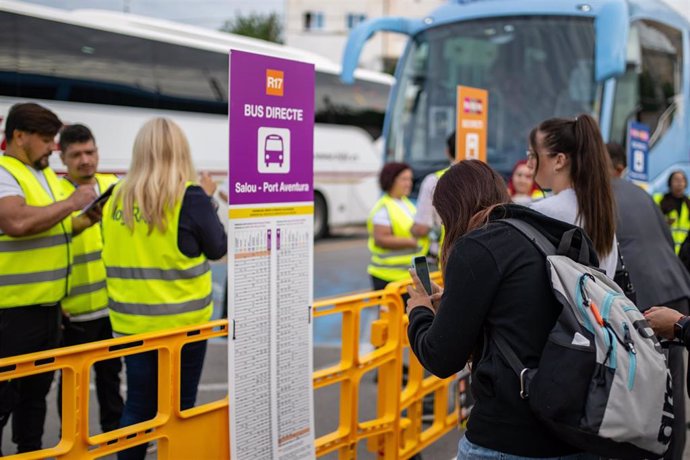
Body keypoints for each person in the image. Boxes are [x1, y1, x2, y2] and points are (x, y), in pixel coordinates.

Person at [406, 159, 595, 459]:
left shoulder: (477, 246)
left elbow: (440, 358)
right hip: (573, 428)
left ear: (453, 209)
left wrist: (419, 311)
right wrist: (453, 306)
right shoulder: (539, 234)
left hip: (508, 436)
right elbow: (519, 315)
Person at [101, 118, 226, 460]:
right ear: (181, 151)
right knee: (180, 412)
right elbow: (217, 248)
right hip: (182, 328)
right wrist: (211, 200)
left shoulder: (115, 197)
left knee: (138, 408)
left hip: (131, 326)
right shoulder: (191, 197)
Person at [0, 103, 98, 455]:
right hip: (12, 315)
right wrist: (72, 203)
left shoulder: (41, 174)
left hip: (48, 310)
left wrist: (85, 219)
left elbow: (51, 226)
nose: (52, 148)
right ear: (19, 136)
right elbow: (17, 223)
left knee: (35, 398)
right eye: (45, 140)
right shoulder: (4, 171)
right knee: (3, 401)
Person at [607, 142, 690, 460]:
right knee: (673, 384)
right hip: (675, 288)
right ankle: (673, 452)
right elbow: (667, 240)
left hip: (644, 296)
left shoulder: (600, 193)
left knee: (643, 387)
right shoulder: (640, 193)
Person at [57, 124, 124, 433]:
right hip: (74, 311)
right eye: (76, 155)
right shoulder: (56, 195)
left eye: (90, 152)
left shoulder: (116, 186)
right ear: (63, 158)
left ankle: (114, 434)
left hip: (113, 309)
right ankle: (70, 440)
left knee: (112, 377)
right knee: (73, 383)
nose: (85, 160)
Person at [528, 114, 618, 278]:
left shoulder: (543, 212)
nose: (529, 163)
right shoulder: (599, 210)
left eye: (533, 155)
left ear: (559, 160)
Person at [367, 162, 429, 290]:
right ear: (391, 180)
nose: (409, 183)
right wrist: (412, 242)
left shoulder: (407, 203)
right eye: (404, 179)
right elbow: (381, 239)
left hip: (405, 276)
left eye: (410, 179)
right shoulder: (384, 208)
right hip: (387, 277)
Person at [411, 132, 455, 257]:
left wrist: (412, 230)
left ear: (447, 151)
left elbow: (421, 228)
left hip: (442, 257)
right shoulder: (486, 179)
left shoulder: (434, 180)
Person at [654, 170, 690, 254]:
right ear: (670, 183)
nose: (679, 183)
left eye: (682, 180)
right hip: (665, 249)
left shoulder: (688, 203)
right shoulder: (659, 200)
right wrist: (664, 222)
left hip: (685, 252)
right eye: (676, 180)